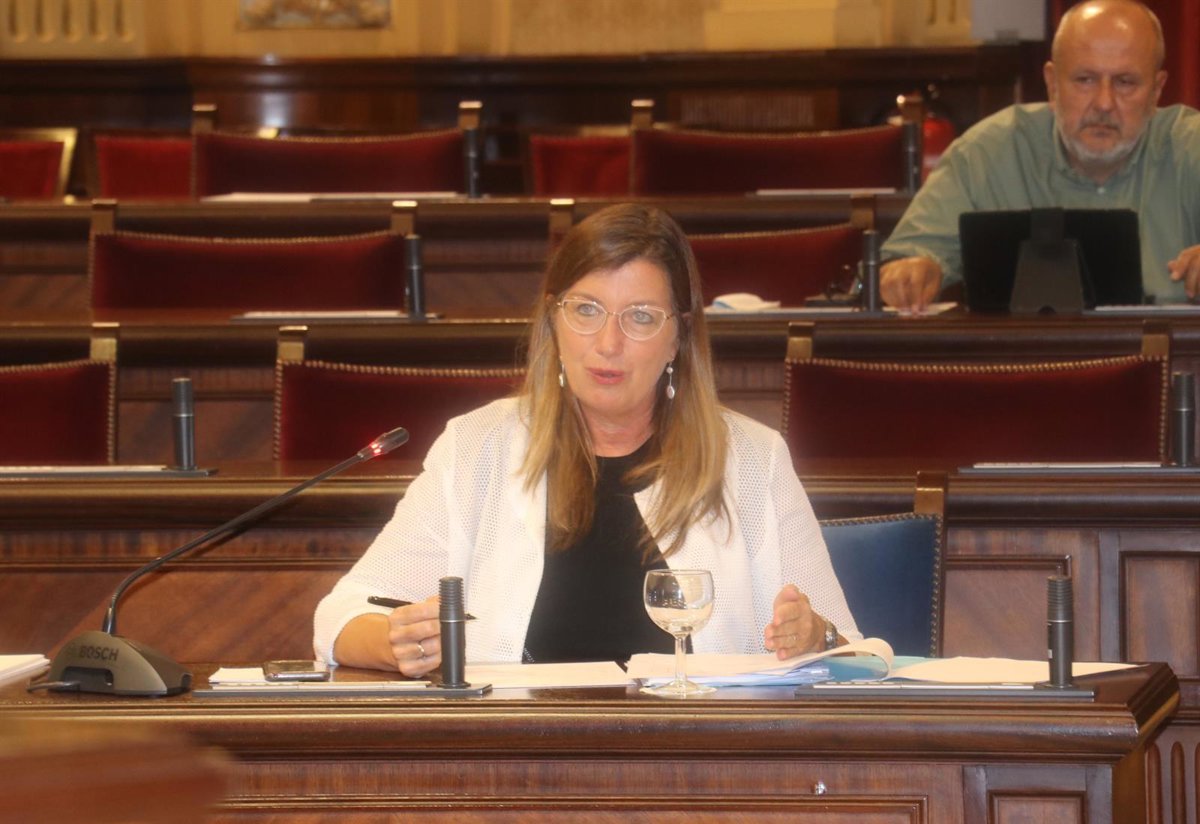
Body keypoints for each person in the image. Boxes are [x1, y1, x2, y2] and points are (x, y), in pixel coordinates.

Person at [313, 203, 860, 677]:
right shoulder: (477, 448)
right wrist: (396, 642)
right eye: (586, 310)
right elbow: (339, 621)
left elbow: (850, 652)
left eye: (640, 317)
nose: (608, 343)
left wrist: (816, 636)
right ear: (553, 321)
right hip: (516, 752)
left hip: (698, 755)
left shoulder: (753, 460)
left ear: (679, 337)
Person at [881, 0, 1200, 311]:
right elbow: (907, 258)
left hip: (1163, 347)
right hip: (1021, 348)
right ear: (1052, 84)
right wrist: (910, 272)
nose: (1104, 103)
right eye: (1085, 80)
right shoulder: (987, 152)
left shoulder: (1190, 145)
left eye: (1125, 82)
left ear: (1156, 90)